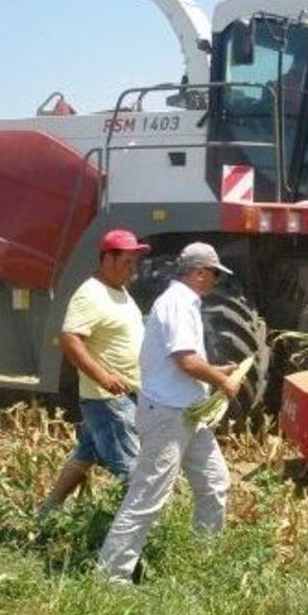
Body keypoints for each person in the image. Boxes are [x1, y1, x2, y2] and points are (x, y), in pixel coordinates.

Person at [97, 242, 241, 584]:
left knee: (215, 484)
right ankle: (110, 577)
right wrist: (222, 380)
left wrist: (216, 371)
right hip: (168, 414)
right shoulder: (177, 302)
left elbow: (187, 360)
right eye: (215, 274)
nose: (216, 280)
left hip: (189, 412)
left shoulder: (184, 302)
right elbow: (185, 360)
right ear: (199, 272)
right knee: (148, 496)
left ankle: (202, 564)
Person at [38, 229, 150, 516]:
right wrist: (104, 377)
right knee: (134, 474)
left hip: (124, 395)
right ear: (108, 260)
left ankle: (46, 514)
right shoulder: (90, 294)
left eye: (135, 262)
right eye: (127, 262)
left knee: (83, 457)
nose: (133, 268)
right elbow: (70, 340)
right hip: (108, 400)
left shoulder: (120, 291)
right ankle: (129, 535)